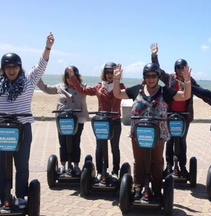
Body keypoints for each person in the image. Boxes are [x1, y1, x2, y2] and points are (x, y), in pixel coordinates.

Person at [113, 63, 191, 200]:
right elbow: (118, 93)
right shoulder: (136, 90)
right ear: (144, 77)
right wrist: (116, 79)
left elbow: (185, 95)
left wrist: (187, 80)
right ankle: (138, 187)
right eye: (148, 76)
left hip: (158, 134)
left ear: (158, 77)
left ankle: (156, 189)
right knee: (139, 161)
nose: (151, 79)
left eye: (154, 76)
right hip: (138, 133)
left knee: (156, 162)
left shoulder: (165, 91)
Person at [0, 32, 54, 209]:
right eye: (8, 66)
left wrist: (47, 47)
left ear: (20, 67)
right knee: (1, 165)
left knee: (21, 165)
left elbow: (41, 65)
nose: (11, 69)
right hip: (2, 128)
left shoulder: (28, 82)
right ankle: (3, 197)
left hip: (22, 127)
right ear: (3, 68)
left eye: (14, 66)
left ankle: (21, 196)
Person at [67, 62, 126, 179]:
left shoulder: (120, 86)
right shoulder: (99, 87)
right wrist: (73, 77)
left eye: (112, 72)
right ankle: (100, 172)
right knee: (100, 147)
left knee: (115, 147)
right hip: (102, 121)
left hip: (114, 120)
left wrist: (147, 80)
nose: (110, 74)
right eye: (108, 72)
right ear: (104, 73)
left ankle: (115, 171)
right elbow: (82, 89)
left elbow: (136, 91)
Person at [150, 43, 200, 177]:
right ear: (175, 68)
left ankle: (182, 166)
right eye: (178, 67)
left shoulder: (191, 81)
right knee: (170, 141)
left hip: (184, 116)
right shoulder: (171, 79)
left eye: (183, 67)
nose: (180, 69)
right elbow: (158, 72)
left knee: (182, 141)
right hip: (170, 116)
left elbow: (202, 92)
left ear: (186, 68)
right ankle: (169, 166)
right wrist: (154, 56)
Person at [37, 66, 88, 176]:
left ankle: (76, 166)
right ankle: (63, 165)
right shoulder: (60, 87)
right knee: (63, 142)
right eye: (67, 76)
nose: (69, 78)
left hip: (78, 118)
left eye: (72, 76)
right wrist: (37, 77)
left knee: (75, 142)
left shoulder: (82, 88)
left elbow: (95, 91)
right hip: (63, 119)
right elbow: (46, 88)